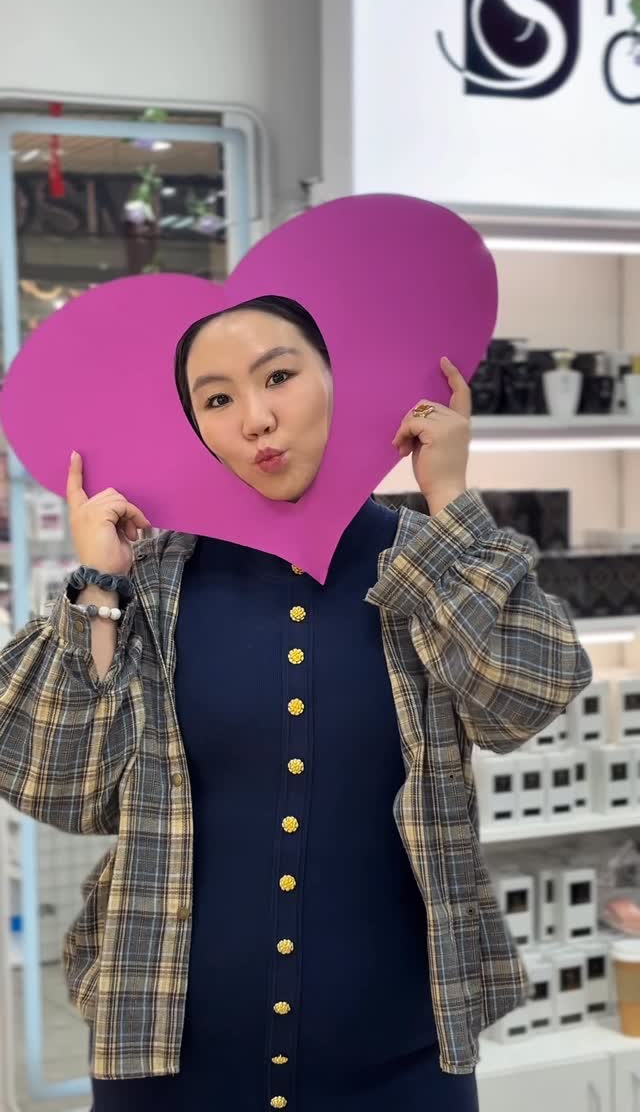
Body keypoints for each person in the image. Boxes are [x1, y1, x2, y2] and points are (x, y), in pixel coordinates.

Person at [0, 295, 592, 1112]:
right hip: (171, 1057)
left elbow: (525, 699)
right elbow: (61, 785)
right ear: (196, 428)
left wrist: (451, 501)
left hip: (398, 1060)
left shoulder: (423, 559)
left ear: (337, 379)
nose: (256, 419)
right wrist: (100, 584)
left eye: (279, 376)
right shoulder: (155, 580)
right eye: (217, 399)